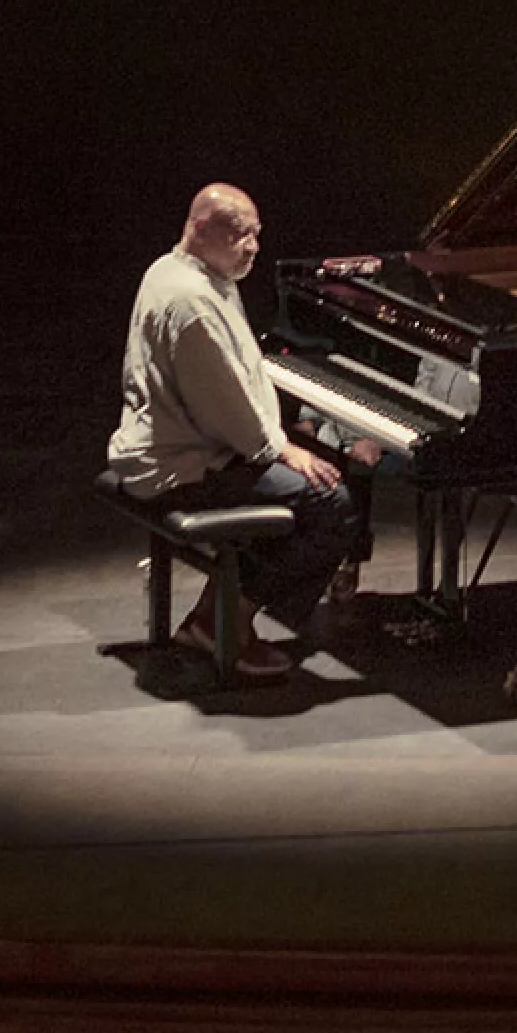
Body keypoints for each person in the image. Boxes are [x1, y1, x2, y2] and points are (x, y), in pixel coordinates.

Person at [106, 183, 367, 678]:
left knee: (311, 471)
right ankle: (226, 621)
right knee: (330, 502)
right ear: (199, 229)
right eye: (238, 234)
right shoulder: (192, 302)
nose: (252, 246)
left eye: (256, 233)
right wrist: (279, 447)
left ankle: (219, 611)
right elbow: (224, 410)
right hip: (182, 466)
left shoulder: (178, 271)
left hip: (188, 445)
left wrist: (283, 443)